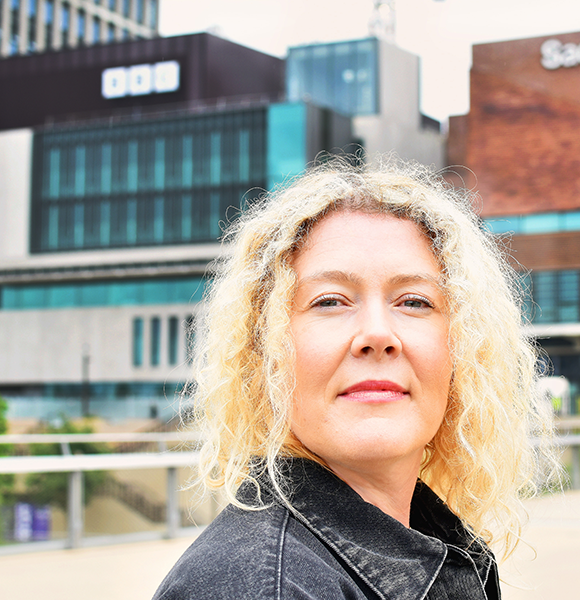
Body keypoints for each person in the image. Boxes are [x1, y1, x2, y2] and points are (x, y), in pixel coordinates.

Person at [152, 158, 557, 600]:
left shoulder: (433, 545)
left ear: (464, 348)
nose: (378, 335)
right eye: (330, 301)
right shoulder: (265, 586)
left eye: (415, 301)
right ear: (264, 349)